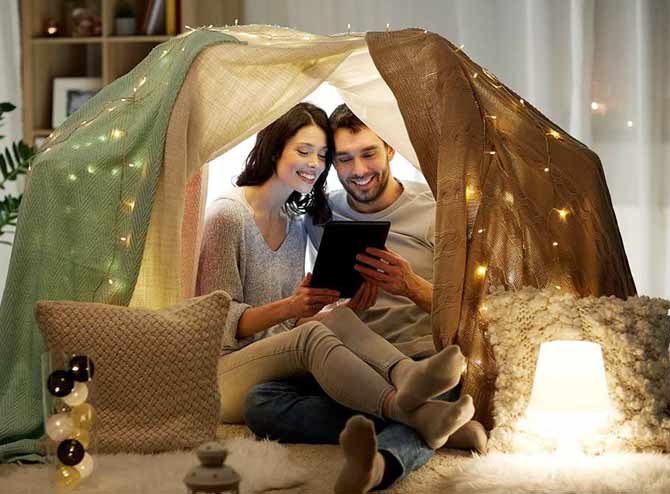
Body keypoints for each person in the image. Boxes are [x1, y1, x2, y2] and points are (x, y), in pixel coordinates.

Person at [196, 102, 474, 458]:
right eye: (339, 158)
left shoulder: (297, 220)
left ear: (390, 149)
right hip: (258, 363)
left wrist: (394, 290)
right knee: (264, 400)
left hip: (413, 358)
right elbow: (217, 324)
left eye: (321, 155)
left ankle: (399, 434)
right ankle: (421, 417)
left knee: (335, 322)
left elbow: (475, 310)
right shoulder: (261, 217)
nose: (316, 164)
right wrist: (297, 308)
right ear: (275, 149)